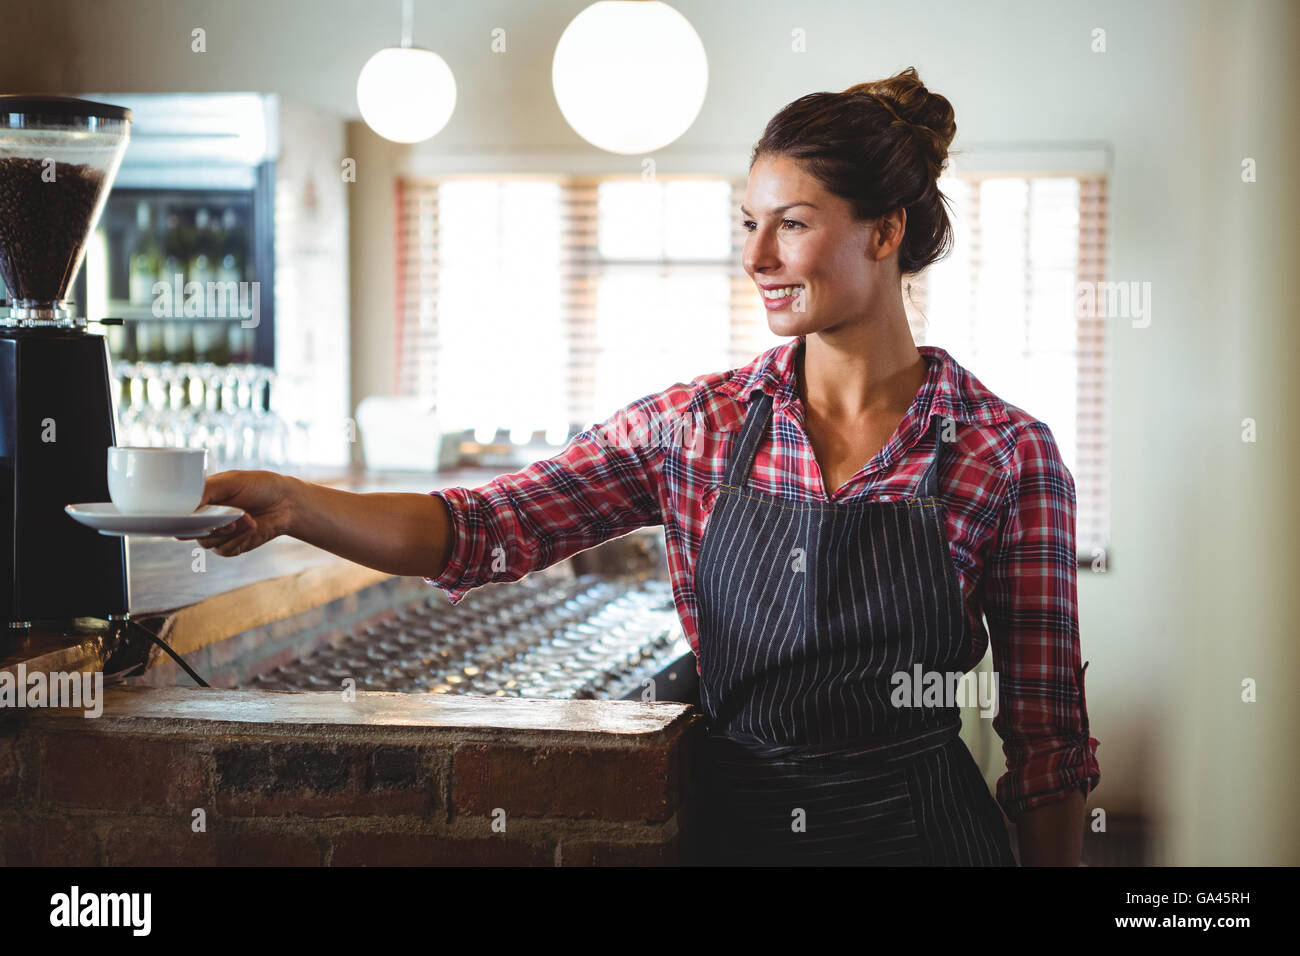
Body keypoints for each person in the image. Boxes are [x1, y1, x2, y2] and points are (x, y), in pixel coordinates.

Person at [191, 66, 1099, 866]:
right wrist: (301, 503)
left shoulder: (1005, 452)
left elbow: (1048, 739)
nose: (755, 257)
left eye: (791, 224)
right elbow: (487, 527)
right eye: (750, 223)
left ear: (884, 231)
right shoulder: (695, 427)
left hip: (921, 839)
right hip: (734, 830)